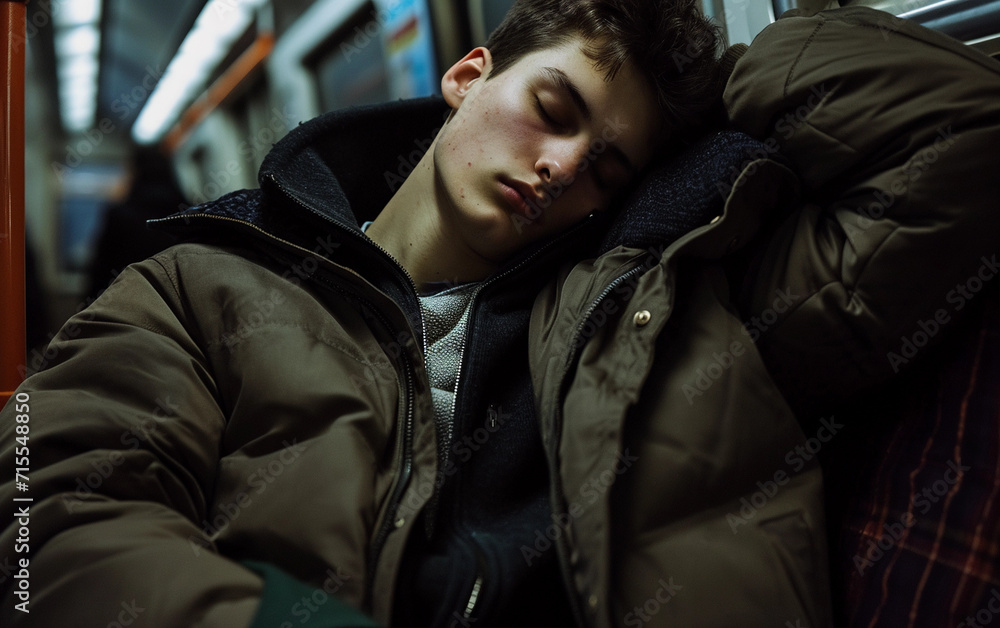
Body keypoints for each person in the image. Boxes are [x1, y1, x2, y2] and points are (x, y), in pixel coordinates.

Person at [1, 1, 749, 627]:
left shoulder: (599, 332)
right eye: (552, 110)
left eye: (604, 173)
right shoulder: (195, 289)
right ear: (467, 77)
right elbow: (44, 515)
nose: (562, 167)